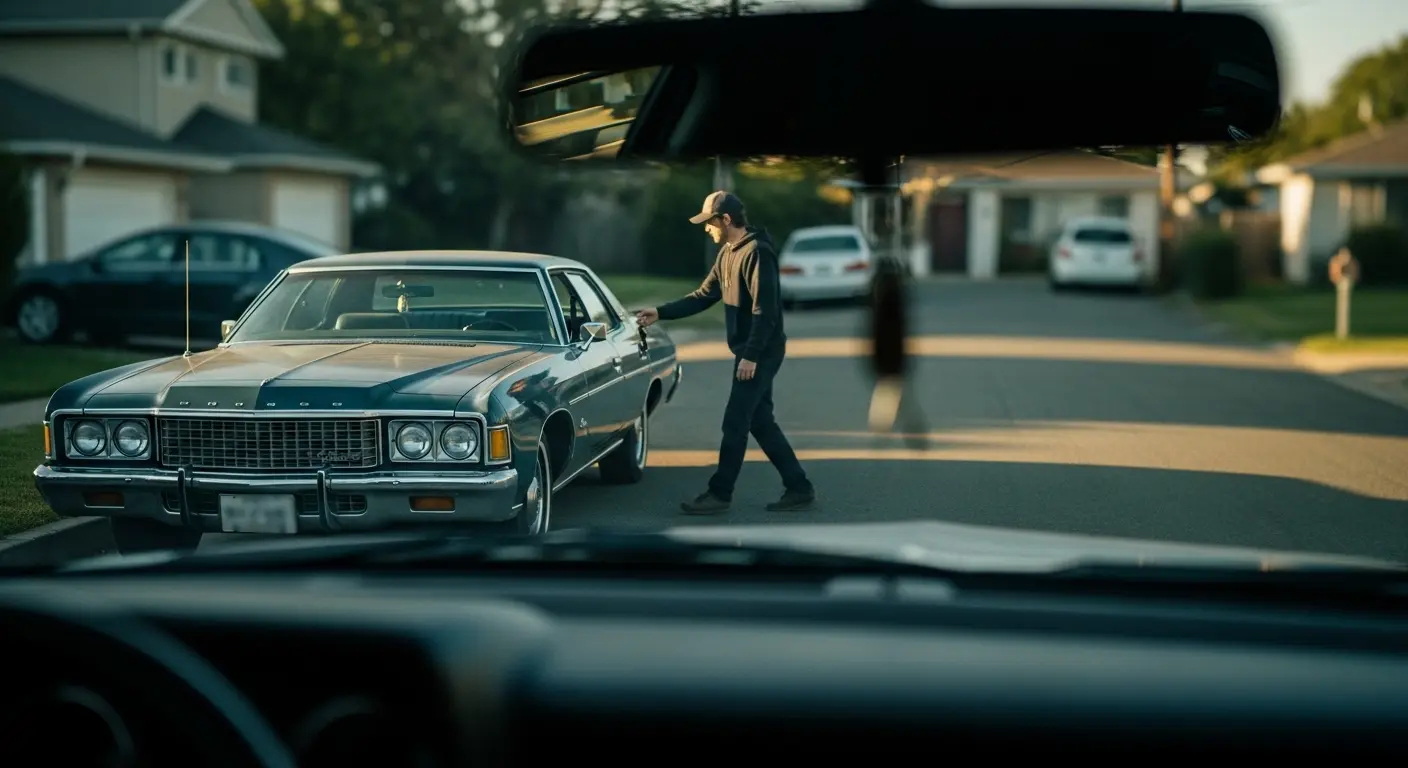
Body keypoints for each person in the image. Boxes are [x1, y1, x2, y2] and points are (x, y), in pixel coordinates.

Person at [635, 191, 816, 514]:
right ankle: (799, 486)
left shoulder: (758, 253)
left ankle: (720, 494)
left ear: (726, 220)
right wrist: (660, 312)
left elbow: (766, 310)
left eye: (710, 223)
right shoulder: (727, 254)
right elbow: (703, 295)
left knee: (735, 422)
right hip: (751, 350)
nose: (707, 229)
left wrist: (751, 356)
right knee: (760, 421)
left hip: (761, 350)